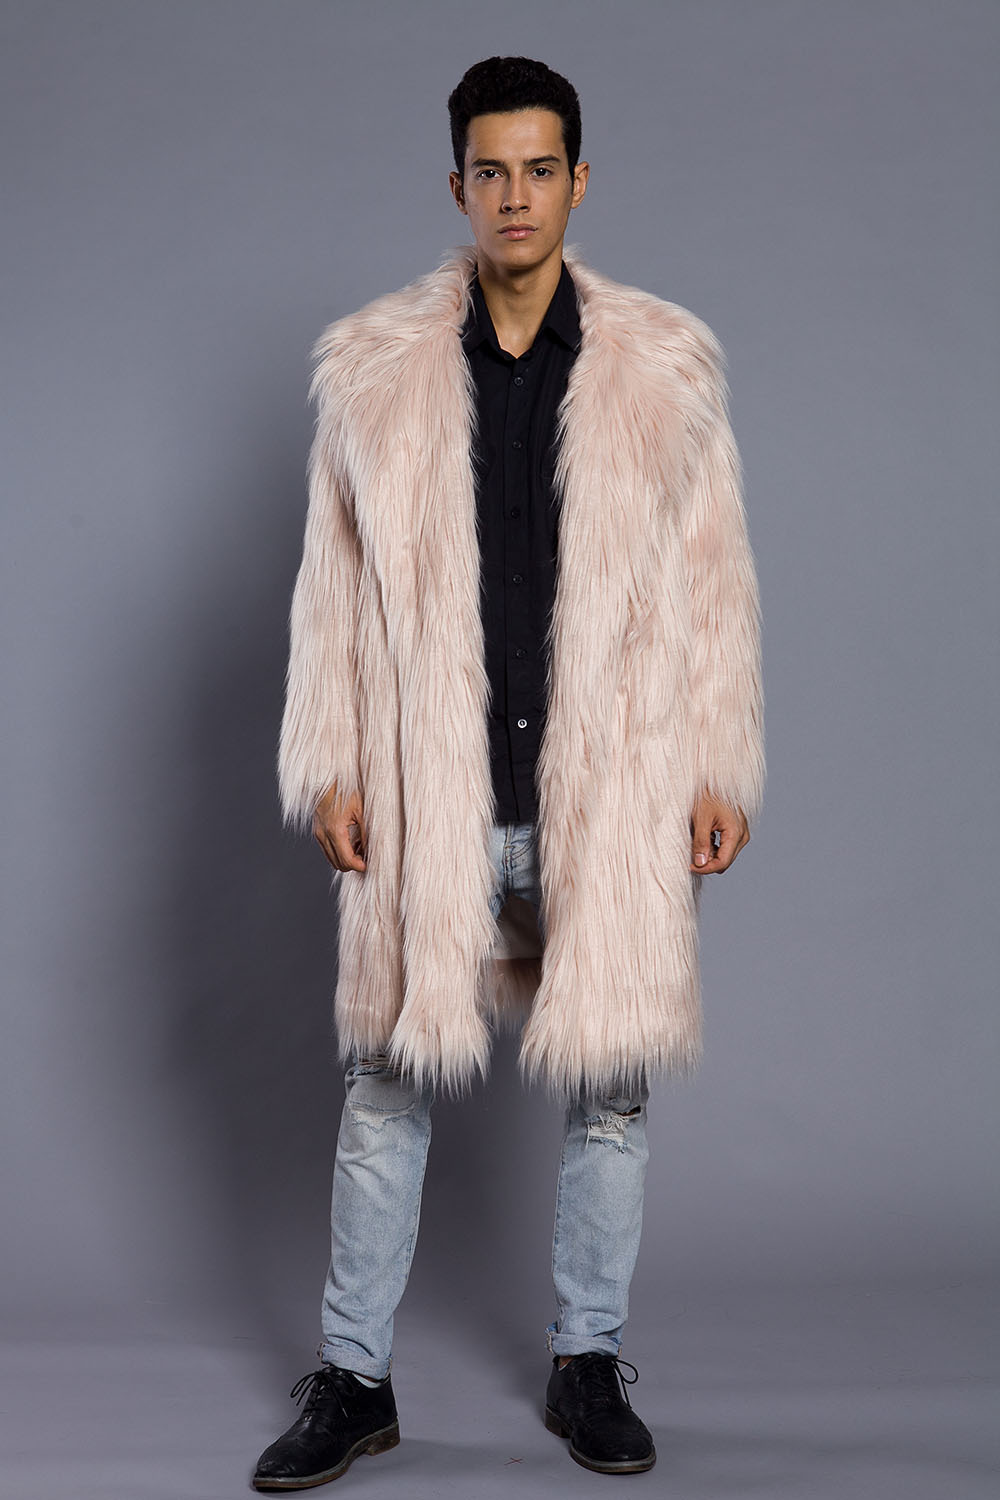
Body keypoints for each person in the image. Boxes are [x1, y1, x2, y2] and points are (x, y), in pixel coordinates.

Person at [252, 54, 764, 1490]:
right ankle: (354, 1380)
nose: (517, 196)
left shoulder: (667, 366)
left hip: (613, 788)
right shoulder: (372, 373)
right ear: (458, 185)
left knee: (610, 1092)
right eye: (493, 171)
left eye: (542, 169)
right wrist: (333, 757)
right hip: (434, 794)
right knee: (384, 1089)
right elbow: (331, 586)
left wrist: (718, 760)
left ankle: (586, 1361)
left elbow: (715, 578)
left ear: (578, 182)